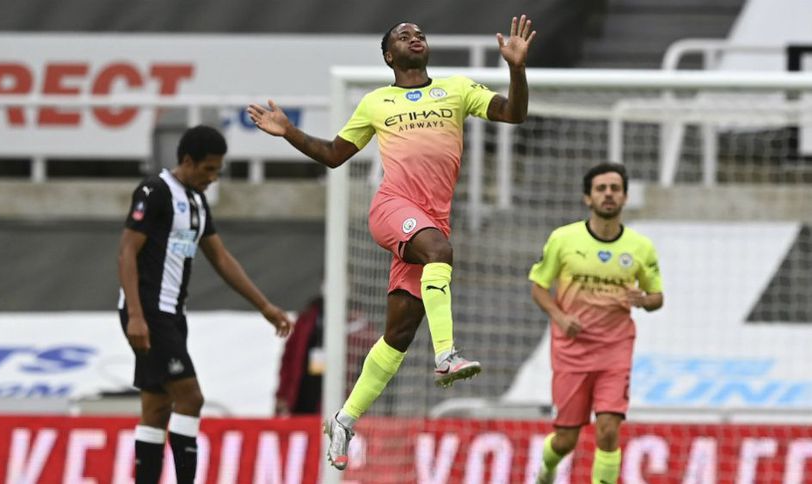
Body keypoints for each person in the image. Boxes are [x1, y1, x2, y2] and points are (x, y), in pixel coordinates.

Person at [248, 15, 537, 470]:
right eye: (404, 35)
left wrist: (516, 70)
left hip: (430, 223)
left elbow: (514, 114)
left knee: (398, 336)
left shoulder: (457, 89)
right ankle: (446, 354)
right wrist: (290, 132)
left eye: (420, 33)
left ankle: (343, 419)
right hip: (393, 210)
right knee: (440, 252)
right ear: (389, 55)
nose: (415, 37)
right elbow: (333, 155)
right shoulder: (375, 102)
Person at [116, 125, 294, 484]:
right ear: (187, 161)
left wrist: (264, 306)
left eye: (218, 170)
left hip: (172, 314)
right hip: (149, 312)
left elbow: (221, 259)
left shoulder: (196, 201)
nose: (213, 177)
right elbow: (127, 251)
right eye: (208, 169)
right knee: (191, 398)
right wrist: (135, 314)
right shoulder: (155, 192)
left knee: (156, 406)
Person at [528, 162, 664, 484]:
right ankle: (546, 468)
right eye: (601, 189)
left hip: (615, 349)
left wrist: (643, 300)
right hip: (571, 350)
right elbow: (538, 286)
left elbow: (657, 297)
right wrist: (560, 317)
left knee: (608, 430)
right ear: (588, 198)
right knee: (565, 440)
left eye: (615, 189)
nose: (608, 194)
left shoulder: (641, 247)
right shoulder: (563, 239)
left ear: (625, 197)